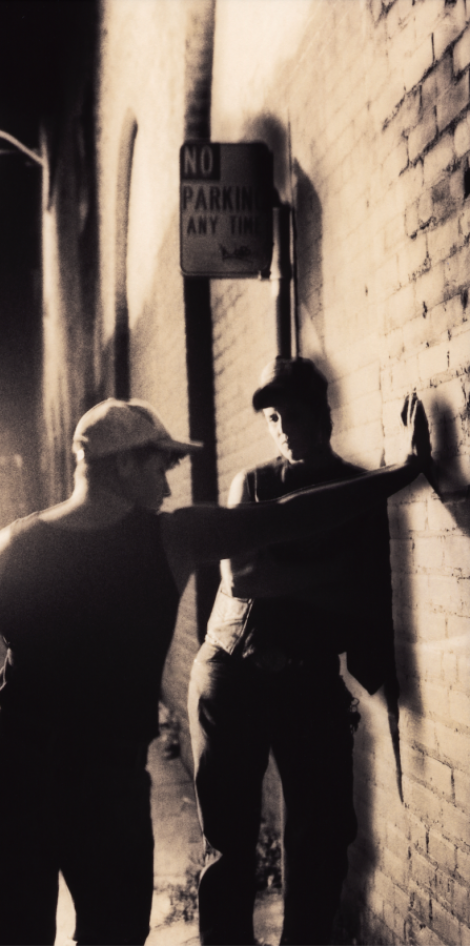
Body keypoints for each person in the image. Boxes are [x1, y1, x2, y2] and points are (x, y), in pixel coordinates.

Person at [0, 394, 429, 946]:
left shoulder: (7, 547)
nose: (168, 487)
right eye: (161, 467)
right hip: (104, 787)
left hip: (10, 773)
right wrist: (399, 473)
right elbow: (290, 517)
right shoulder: (172, 538)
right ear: (123, 464)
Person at [188, 357, 418, 946]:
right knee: (229, 846)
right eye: (272, 417)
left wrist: (291, 567)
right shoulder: (254, 483)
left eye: (293, 414)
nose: (282, 428)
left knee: (322, 841)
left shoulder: (355, 487)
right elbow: (243, 578)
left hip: (309, 680)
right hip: (232, 676)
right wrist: (331, 570)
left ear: (323, 417)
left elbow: (363, 589)